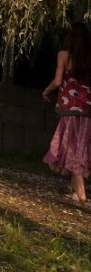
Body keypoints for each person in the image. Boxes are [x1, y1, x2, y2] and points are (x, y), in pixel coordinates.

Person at [42, 22, 91, 204]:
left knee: (70, 146)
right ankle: (74, 191)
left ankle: (81, 193)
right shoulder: (89, 57)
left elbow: (57, 81)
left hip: (69, 106)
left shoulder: (63, 55)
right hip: (87, 108)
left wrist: (46, 91)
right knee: (80, 145)